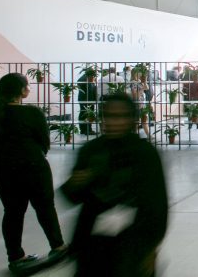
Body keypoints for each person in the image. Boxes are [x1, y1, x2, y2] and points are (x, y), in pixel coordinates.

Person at [62, 93, 168, 277]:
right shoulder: (91, 150)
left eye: (120, 117)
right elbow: (72, 198)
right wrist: (74, 184)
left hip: (133, 245)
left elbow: (157, 205)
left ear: (132, 120)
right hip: (92, 245)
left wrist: (151, 247)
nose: (113, 122)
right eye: (108, 116)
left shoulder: (144, 154)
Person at [0, 73, 69, 275]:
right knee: (45, 207)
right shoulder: (32, 113)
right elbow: (44, 142)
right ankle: (58, 246)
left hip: (2, 170)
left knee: (13, 212)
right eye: (27, 86)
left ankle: (16, 257)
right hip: (33, 167)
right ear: (21, 91)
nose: (29, 89)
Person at [77, 69, 98, 136]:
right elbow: (81, 84)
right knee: (84, 114)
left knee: (88, 114)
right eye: (93, 75)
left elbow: (92, 88)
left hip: (89, 99)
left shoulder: (89, 78)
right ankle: (85, 130)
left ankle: (87, 129)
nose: (94, 77)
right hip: (85, 99)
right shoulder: (83, 78)